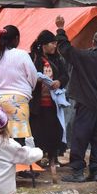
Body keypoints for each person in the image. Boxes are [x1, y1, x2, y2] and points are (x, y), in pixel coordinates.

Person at [54, 16, 97, 183]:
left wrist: (61, 29)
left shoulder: (86, 57)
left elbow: (65, 49)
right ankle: (96, 171)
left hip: (87, 106)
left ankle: (77, 171)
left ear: (94, 42)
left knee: (80, 137)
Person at [0, 25, 39, 178]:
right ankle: (25, 168)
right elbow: (32, 75)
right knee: (21, 135)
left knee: (3, 135)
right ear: (16, 39)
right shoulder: (22, 54)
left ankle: (5, 167)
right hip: (18, 98)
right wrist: (29, 89)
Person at [29, 30, 69, 183]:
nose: (54, 46)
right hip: (37, 104)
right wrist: (36, 80)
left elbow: (65, 75)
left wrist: (59, 82)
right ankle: (37, 162)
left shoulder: (57, 59)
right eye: (52, 43)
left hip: (53, 104)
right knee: (37, 133)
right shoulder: (33, 58)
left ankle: (52, 159)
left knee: (54, 132)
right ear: (44, 45)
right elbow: (28, 75)